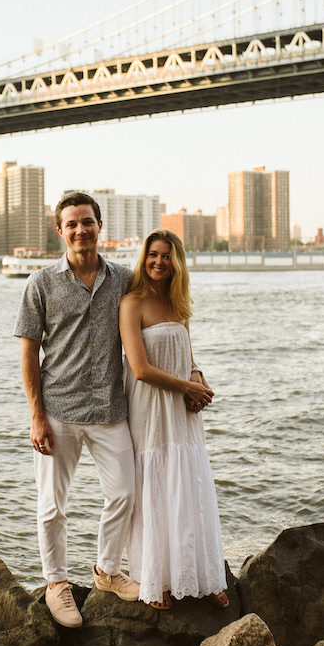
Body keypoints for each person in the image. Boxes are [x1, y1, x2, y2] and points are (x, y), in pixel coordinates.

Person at [14, 191, 142, 629]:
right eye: (72, 224)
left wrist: (192, 370)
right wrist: (36, 417)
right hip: (58, 412)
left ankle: (107, 571)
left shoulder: (125, 279)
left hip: (110, 410)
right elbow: (29, 355)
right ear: (60, 231)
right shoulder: (40, 284)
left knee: (125, 492)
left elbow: (160, 320)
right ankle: (56, 584)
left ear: (99, 227)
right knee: (52, 505)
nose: (80, 230)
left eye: (87, 222)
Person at [119, 229, 226, 610]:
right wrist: (186, 387)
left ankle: (202, 573)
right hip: (150, 409)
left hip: (182, 412)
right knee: (157, 488)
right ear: (143, 258)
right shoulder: (132, 303)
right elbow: (140, 368)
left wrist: (198, 381)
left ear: (176, 261)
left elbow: (191, 358)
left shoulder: (179, 305)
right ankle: (157, 579)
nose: (158, 262)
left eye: (166, 256)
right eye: (152, 255)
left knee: (190, 486)